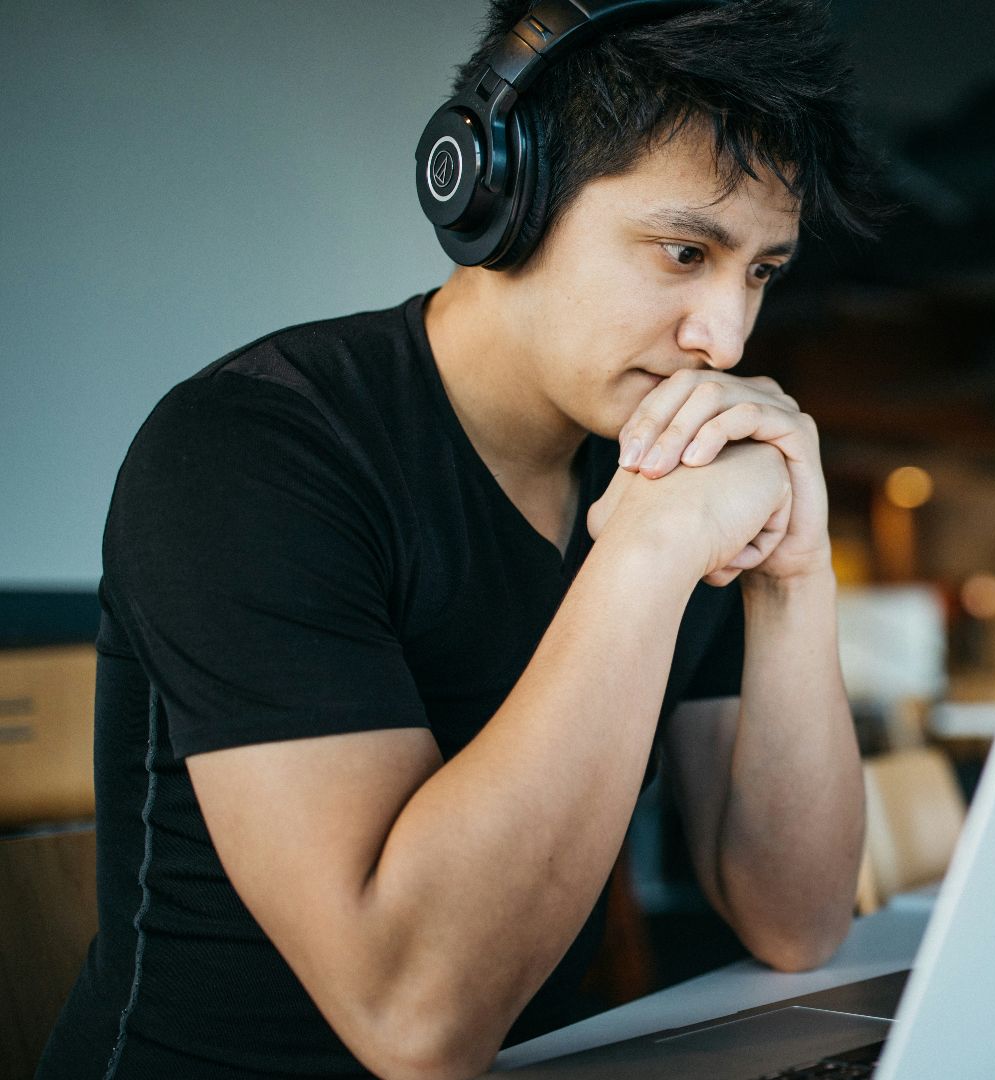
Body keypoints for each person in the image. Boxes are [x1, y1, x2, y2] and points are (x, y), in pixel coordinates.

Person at [38, 2, 890, 1077]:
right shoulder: (250, 452)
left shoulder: (675, 462)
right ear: (504, 196)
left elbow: (797, 921)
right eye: (684, 251)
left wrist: (791, 571)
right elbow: (414, 1020)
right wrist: (645, 554)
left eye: (761, 271)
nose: (723, 337)